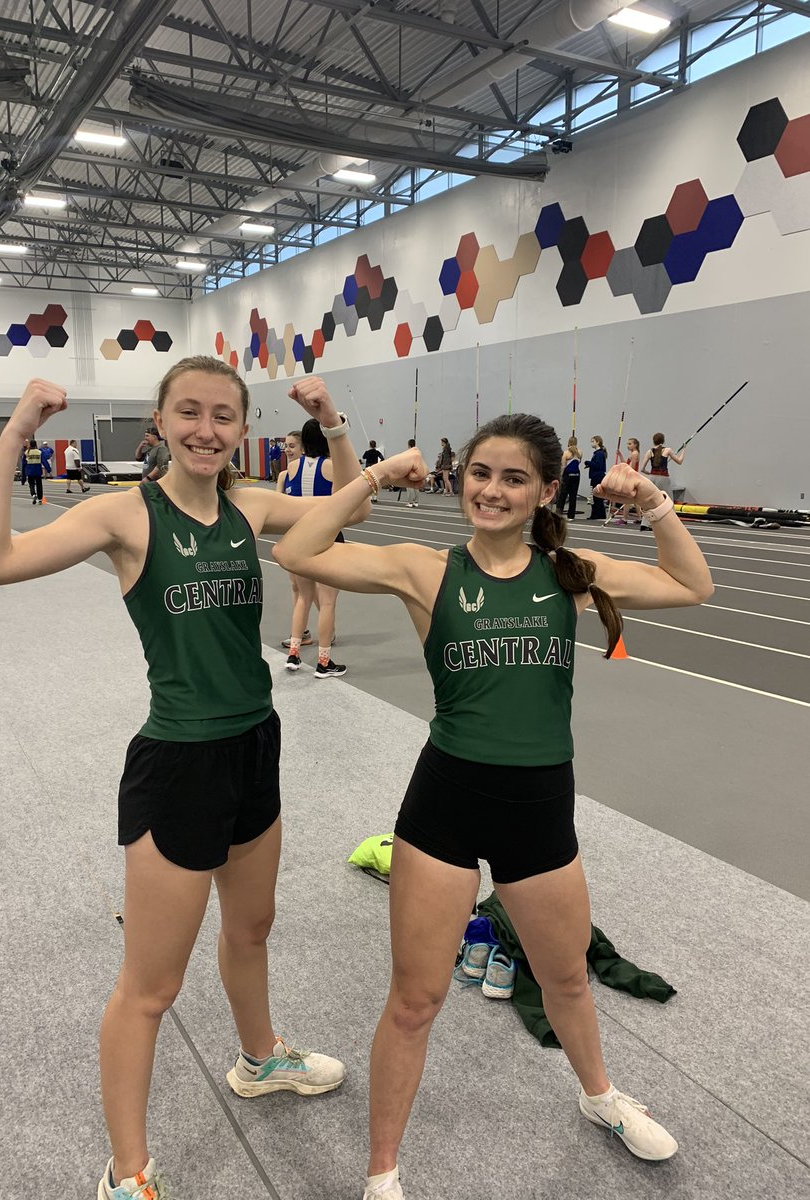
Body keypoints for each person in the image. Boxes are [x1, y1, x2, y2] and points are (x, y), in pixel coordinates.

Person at [274, 412, 714, 1200]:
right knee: (415, 999)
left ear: (545, 490)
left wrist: (652, 501)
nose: (492, 490)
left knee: (568, 979)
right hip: (446, 801)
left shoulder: (569, 571)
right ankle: (382, 1173)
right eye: (480, 473)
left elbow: (692, 585)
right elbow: (297, 551)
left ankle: (600, 1097)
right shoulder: (425, 569)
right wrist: (374, 475)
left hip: (540, 807)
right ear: (461, 478)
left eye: (514, 478)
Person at [0, 361, 368, 1200]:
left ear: (242, 428)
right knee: (150, 987)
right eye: (190, 412)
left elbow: (350, 510)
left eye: (224, 416)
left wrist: (331, 420)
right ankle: (126, 1174)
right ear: (160, 419)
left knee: (253, 929)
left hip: (255, 746)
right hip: (178, 763)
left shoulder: (250, 504)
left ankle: (259, 1060)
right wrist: (16, 432)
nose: (207, 430)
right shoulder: (124, 514)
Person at [279, 418, 347, 677]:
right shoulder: (332, 467)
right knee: (327, 603)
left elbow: (282, 506)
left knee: (303, 598)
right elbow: (344, 505)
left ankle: (294, 655)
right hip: (327, 541)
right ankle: (323, 661)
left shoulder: (290, 470)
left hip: (298, 541)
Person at [277, 430, 315, 652]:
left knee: (312, 590)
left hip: (310, 539)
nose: (288, 450)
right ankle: (305, 631)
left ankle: (305, 632)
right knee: (296, 587)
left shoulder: (313, 472)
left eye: (292, 446)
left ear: (302, 449)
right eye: (286, 446)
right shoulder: (284, 475)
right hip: (291, 538)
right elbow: (278, 507)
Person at [640, 433, 685, 530]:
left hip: (652, 478)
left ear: (653, 441)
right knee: (668, 500)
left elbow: (642, 469)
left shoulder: (649, 452)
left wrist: (650, 474)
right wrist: (684, 450)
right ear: (663, 441)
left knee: (650, 500)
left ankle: (644, 524)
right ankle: (674, 523)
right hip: (663, 478)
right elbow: (680, 461)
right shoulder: (667, 450)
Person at [610, 438, 640, 524]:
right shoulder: (632, 454)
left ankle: (624, 518)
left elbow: (632, 468)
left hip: (632, 478)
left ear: (635, 445)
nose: (628, 445)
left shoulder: (635, 454)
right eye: (627, 444)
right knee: (635, 500)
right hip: (632, 477)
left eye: (630, 444)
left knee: (627, 499)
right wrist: (620, 455)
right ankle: (639, 517)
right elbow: (626, 464)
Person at [555, 436, 581, 520]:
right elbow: (578, 463)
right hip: (576, 476)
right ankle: (571, 516)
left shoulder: (566, 453)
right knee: (573, 496)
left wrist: (560, 476)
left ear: (569, 442)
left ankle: (559, 513)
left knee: (563, 495)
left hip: (567, 475)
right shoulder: (580, 452)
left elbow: (563, 466)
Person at [584, 435, 607, 520]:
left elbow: (598, 465)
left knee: (595, 496)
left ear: (598, 442)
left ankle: (595, 514)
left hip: (597, 477)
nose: (591, 443)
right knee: (598, 496)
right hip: (597, 476)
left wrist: (588, 463)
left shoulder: (599, 454)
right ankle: (601, 514)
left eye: (593, 441)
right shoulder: (598, 453)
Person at [24, 437, 45, 505]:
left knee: (31, 484)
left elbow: (24, 463)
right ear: (36, 444)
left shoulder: (27, 452)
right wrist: (48, 469)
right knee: (39, 485)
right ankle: (40, 499)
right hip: (38, 471)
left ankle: (33, 494)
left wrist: (24, 471)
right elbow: (44, 461)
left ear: (30, 445)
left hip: (30, 471)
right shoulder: (39, 452)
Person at [404, 439, 420, 507]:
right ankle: (416, 502)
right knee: (416, 486)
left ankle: (410, 502)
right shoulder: (418, 452)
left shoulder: (409, 453)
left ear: (409, 445)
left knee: (409, 486)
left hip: (410, 470)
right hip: (416, 470)